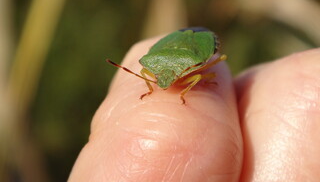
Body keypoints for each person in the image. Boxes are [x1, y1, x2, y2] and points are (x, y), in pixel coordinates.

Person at [68, 37, 320, 182]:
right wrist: (149, 87)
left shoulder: (191, 73)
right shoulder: (151, 71)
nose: (163, 83)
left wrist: (185, 91)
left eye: (169, 78)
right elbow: (145, 71)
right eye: (156, 79)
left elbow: (199, 76)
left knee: (211, 69)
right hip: (175, 46)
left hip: (194, 46)